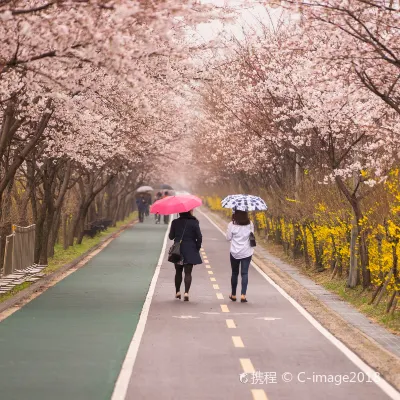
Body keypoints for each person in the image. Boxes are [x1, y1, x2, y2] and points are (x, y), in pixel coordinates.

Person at [169, 210, 202, 301]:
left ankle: (177, 292)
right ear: (189, 212)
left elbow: (171, 237)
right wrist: (197, 248)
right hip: (190, 249)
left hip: (178, 251)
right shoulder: (194, 222)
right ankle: (186, 293)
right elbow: (199, 237)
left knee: (178, 272)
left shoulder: (175, 222)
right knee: (188, 273)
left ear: (179, 212)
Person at [226, 209, 254, 303]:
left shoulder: (231, 224)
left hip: (234, 252)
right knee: (244, 273)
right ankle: (243, 295)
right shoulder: (250, 224)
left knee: (234, 273)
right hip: (246, 252)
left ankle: (233, 294)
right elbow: (252, 235)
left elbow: (228, 238)